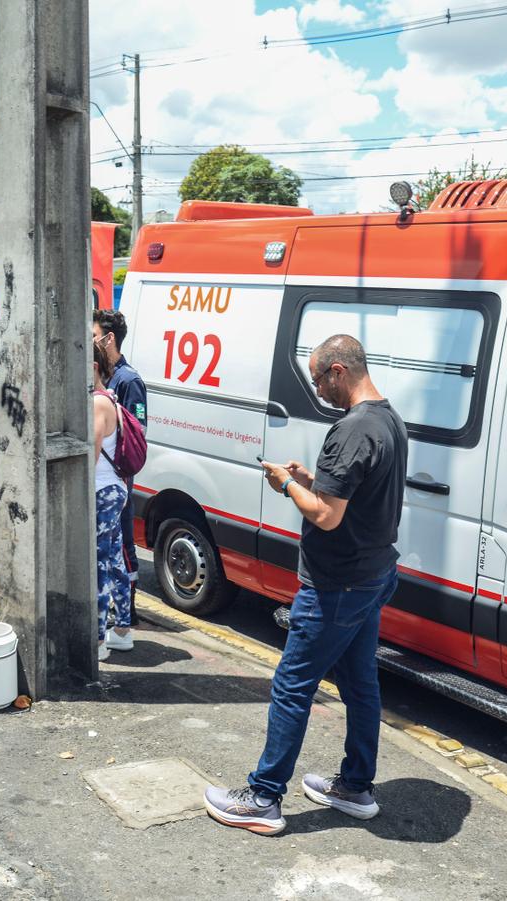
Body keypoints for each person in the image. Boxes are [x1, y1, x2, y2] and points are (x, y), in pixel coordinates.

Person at [204, 334, 408, 836]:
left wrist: (288, 485)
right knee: (361, 685)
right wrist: (311, 477)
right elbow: (347, 494)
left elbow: (326, 515)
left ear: (338, 370)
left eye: (319, 380)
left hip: (336, 586)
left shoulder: (352, 429)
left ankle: (263, 797)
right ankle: (356, 786)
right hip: (373, 575)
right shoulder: (388, 419)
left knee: (292, 686)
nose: (318, 391)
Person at [92, 308, 148, 624]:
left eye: (93, 336)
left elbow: (136, 430)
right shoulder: (110, 377)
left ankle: (128, 613)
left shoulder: (129, 380)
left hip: (116, 480)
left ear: (108, 338)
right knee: (113, 549)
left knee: (122, 546)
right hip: (112, 480)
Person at [92, 340, 132, 662]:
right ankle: (122, 631)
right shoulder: (111, 398)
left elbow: (89, 456)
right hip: (114, 490)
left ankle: (98, 640)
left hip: (101, 492)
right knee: (114, 559)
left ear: (92, 369)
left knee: (99, 565)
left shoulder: (96, 403)